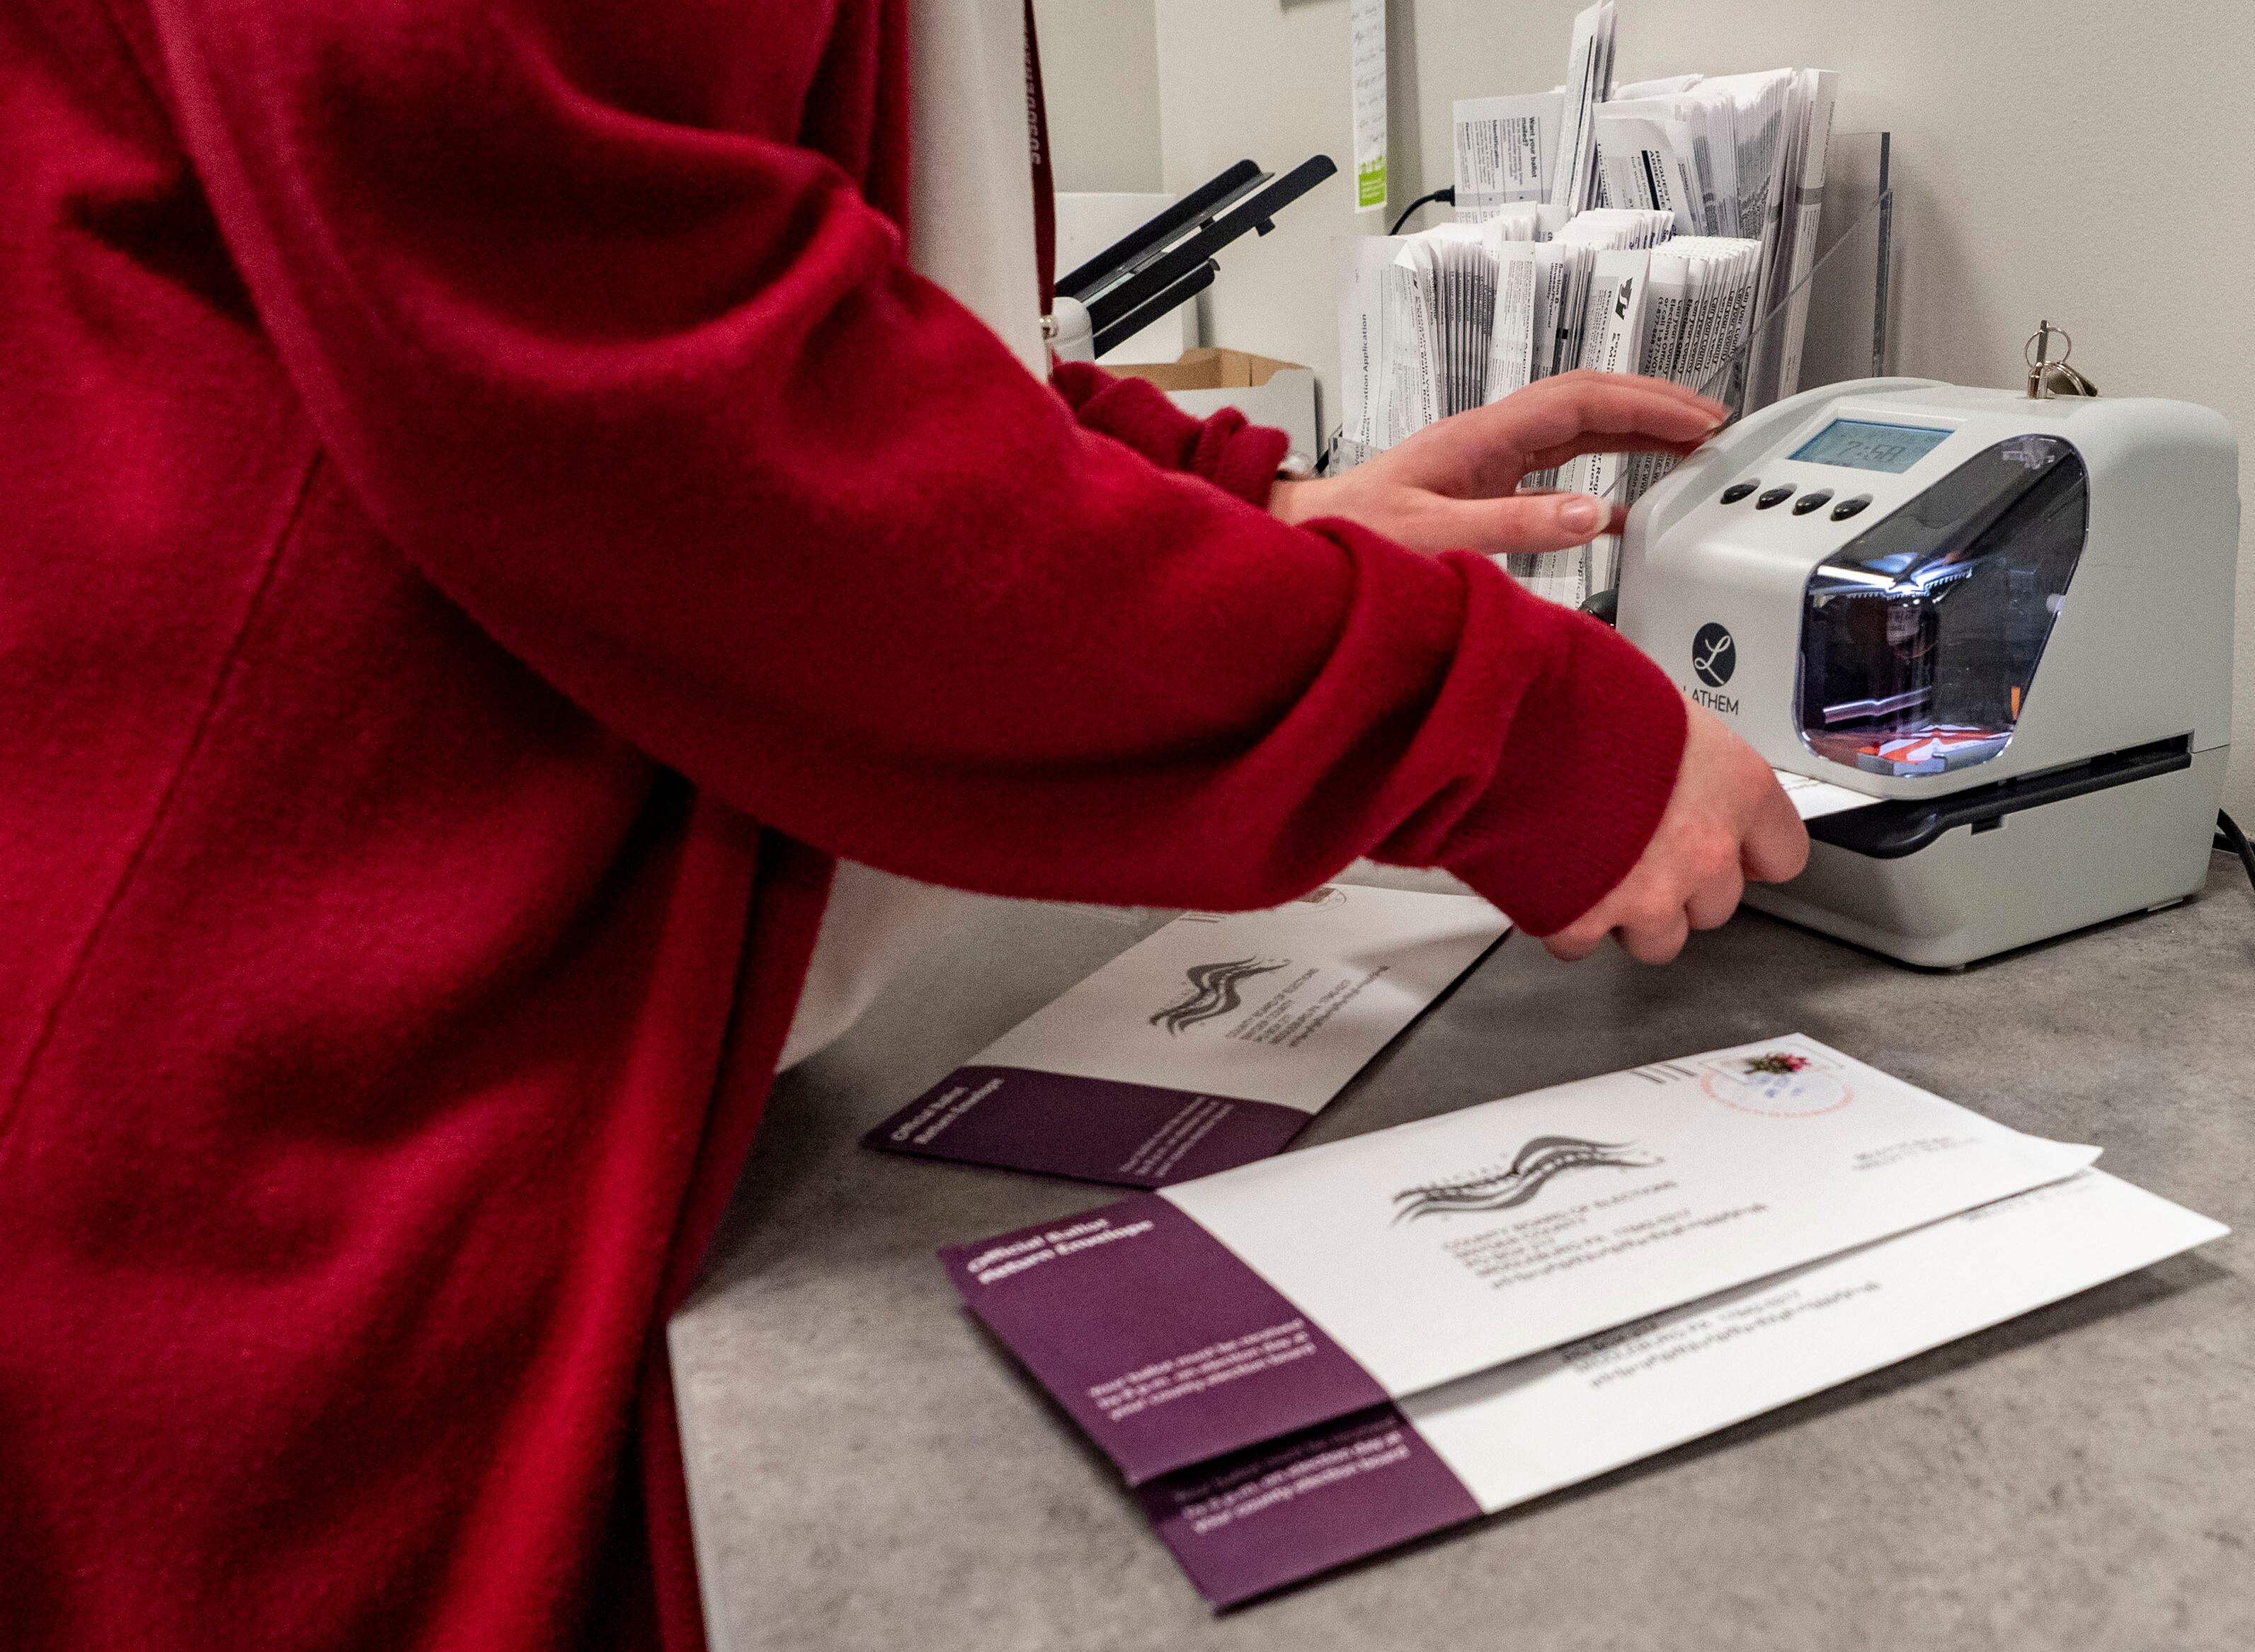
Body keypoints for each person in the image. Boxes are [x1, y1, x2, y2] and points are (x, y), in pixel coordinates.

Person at [0, 0, 1807, 1645]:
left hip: (406, 989)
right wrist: (1505, 727)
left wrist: (1246, 504)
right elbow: (659, 392)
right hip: (290, 1084)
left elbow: (811, 283)